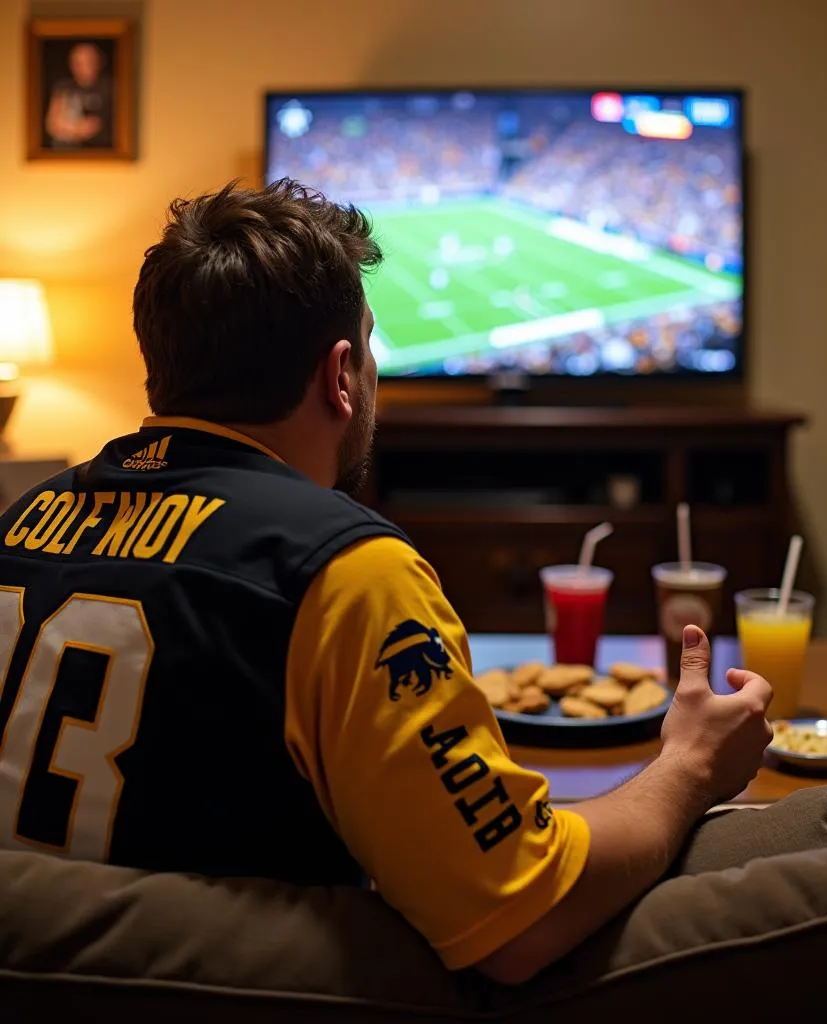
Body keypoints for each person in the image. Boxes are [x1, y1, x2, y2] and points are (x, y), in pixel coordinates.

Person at [0, 179, 772, 985]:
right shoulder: (345, 569)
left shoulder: (22, 519)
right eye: (370, 346)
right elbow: (520, 917)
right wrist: (690, 766)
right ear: (342, 375)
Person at [45, 41, 113, 148]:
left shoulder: (109, 88)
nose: (84, 67)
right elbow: (53, 124)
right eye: (78, 63)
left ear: (100, 62)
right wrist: (75, 130)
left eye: (90, 61)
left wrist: (73, 129)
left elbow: (93, 126)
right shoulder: (63, 87)